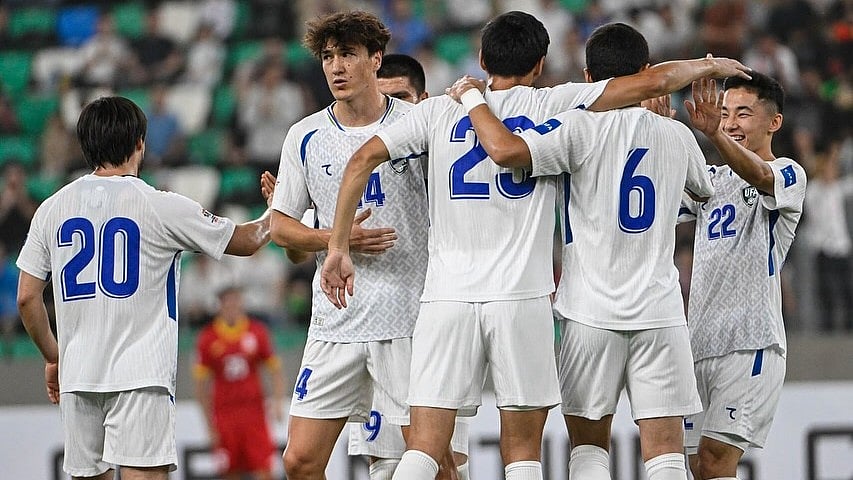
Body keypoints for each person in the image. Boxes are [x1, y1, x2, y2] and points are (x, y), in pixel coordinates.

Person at [320, 11, 749, 480]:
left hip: (448, 298)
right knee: (523, 451)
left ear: (482, 58)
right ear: (542, 63)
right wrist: (708, 66)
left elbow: (361, 158)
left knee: (423, 448)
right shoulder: (559, 105)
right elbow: (650, 85)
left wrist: (338, 245)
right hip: (524, 298)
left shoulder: (439, 110)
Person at [441, 22, 714, 480]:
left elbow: (512, 154)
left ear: (589, 78)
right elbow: (700, 196)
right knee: (666, 451)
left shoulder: (575, 126)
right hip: (661, 309)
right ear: (645, 72)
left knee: (589, 448)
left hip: (586, 310)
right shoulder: (676, 136)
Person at [16, 96, 271, 480]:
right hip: (141, 376)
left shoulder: (52, 208)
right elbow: (249, 240)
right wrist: (278, 208)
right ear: (139, 144)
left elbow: (26, 297)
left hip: (79, 376)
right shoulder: (159, 205)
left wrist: (54, 357)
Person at [267, 11, 457, 480]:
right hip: (336, 320)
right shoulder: (305, 135)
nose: (336, 67)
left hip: (408, 317)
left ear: (376, 59)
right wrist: (338, 239)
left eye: (348, 54)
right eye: (328, 57)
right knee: (299, 460)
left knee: (435, 461)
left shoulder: (418, 125)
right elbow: (281, 228)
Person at [680, 73, 807, 480]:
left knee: (718, 458)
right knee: (697, 466)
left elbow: (761, 178)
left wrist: (715, 135)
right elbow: (657, 199)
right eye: (725, 113)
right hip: (698, 341)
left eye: (743, 114)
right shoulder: (711, 180)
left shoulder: (789, 173)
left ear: (773, 122)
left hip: (751, 339)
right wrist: (657, 129)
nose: (731, 122)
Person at [193, 286, 285, 480]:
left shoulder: (256, 331)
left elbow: (274, 370)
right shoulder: (208, 338)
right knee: (229, 470)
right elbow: (201, 386)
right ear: (220, 305)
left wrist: (277, 402)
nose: (232, 305)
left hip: (254, 413)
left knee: (263, 467)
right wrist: (209, 424)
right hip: (225, 414)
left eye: (236, 300)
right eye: (228, 301)